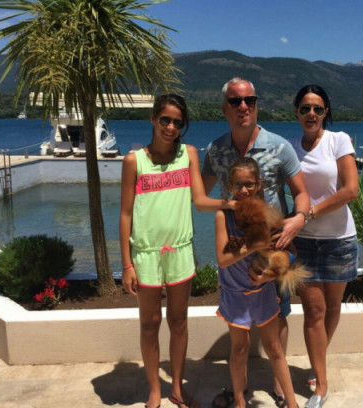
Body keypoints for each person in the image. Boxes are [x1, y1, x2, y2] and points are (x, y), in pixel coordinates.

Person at [119, 94, 234, 408]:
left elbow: (199, 200)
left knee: (179, 321)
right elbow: (126, 214)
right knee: (149, 323)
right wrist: (127, 264)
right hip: (145, 254)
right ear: (153, 119)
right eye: (165, 120)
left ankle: (178, 390)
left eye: (178, 123)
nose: (171, 127)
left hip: (180, 250)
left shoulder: (189, 154)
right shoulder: (134, 161)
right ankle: (154, 389)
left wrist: (231, 203)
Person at [202, 77, 310, 408]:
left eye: (250, 100)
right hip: (237, 253)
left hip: (273, 250)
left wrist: (298, 219)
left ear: (257, 104)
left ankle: (280, 389)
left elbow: (301, 193)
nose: (244, 106)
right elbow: (200, 194)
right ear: (225, 108)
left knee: (279, 318)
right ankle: (240, 391)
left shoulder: (280, 147)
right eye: (236, 101)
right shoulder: (216, 150)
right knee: (240, 336)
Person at [290, 84, 359, 408]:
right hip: (304, 242)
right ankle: (321, 385)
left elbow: (351, 190)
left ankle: (318, 363)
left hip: (339, 241)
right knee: (313, 311)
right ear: (296, 112)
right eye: (305, 108)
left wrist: (310, 213)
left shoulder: (338, 140)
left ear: (325, 112)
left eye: (317, 108)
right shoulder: (291, 149)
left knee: (332, 308)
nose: (311, 113)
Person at [214, 157, 298, 408]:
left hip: (262, 290)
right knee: (239, 349)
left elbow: (290, 253)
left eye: (249, 184)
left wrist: (269, 276)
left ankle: (292, 402)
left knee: (274, 348)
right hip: (235, 294)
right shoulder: (223, 216)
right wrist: (254, 246)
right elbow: (223, 259)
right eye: (238, 185)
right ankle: (240, 401)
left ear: (259, 184)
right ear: (230, 186)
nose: (244, 190)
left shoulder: (268, 213)